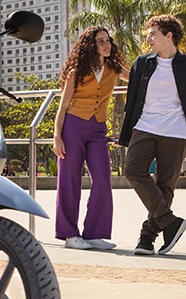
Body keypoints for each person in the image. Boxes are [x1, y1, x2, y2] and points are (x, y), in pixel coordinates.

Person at [119, 14, 186, 255]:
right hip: (145, 126)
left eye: (153, 34)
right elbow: (132, 92)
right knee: (133, 170)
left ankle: (147, 238)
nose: (148, 38)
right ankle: (170, 222)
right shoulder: (142, 63)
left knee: (165, 184)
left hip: (177, 130)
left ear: (169, 36)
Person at [52, 27, 130, 250]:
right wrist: (57, 137)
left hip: (98, 129)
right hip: (73, 127)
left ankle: (95, 233)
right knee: (69, 180)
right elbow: (63, 107)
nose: (107, 45)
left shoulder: (114, 68)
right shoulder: (76, 72)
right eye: (100, 41)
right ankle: (69, 234)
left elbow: (138, 78)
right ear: (90, 46)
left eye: (108, 40)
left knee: (103, 179)